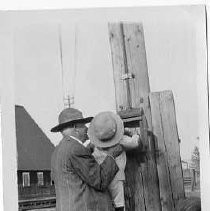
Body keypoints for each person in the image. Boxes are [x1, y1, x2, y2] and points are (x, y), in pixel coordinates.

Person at [50, 107, 123, 211]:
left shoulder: (58, 150)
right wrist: (112, 155)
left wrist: (89, 149)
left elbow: (77, 171)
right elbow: (100, 180)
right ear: (76, 127)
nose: (87, 129)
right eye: (83, 125)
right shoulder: (76, 149)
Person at [88, 111, 142, 211]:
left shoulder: (95, 144)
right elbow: (135, 143)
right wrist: (133, 133)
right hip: (116, 175)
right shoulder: (121, 140)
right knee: (119, 202)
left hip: (101, 176)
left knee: (105, 201)